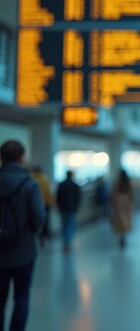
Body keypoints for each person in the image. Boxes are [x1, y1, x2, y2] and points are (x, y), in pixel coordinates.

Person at [0, 140, 45, 331]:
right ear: (21, 158)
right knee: (22, 295)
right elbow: (39, 217)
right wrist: (29, 233)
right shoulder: (30, 184)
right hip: (24, 251)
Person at [56, 170, 81, 253]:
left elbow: (58, 197)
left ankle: (65, 241)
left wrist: (58, 207)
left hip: (63, 208)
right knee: (70, 225)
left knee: (64, 225)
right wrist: (77, 207)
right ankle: (68, 241)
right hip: (72, 208)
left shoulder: (61, 185)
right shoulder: (75, 185)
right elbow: (78, 198)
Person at [31, 166, 54, 248]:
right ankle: (43, 237)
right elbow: (49, 192)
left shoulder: (30, 179)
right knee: (44, 222)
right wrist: (50, 202)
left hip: (33, 205)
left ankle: (36, 237)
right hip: (45, 205)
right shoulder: (45, 180)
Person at [110, 170, 133, 249]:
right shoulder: (128, 182)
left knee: (120, 219)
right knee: (125, 218)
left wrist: (113, 201)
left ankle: (121, 234)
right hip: (126, 201)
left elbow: (113, 192)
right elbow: (131, 193)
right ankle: (123, 234)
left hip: (118, 201)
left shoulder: (117, 182)